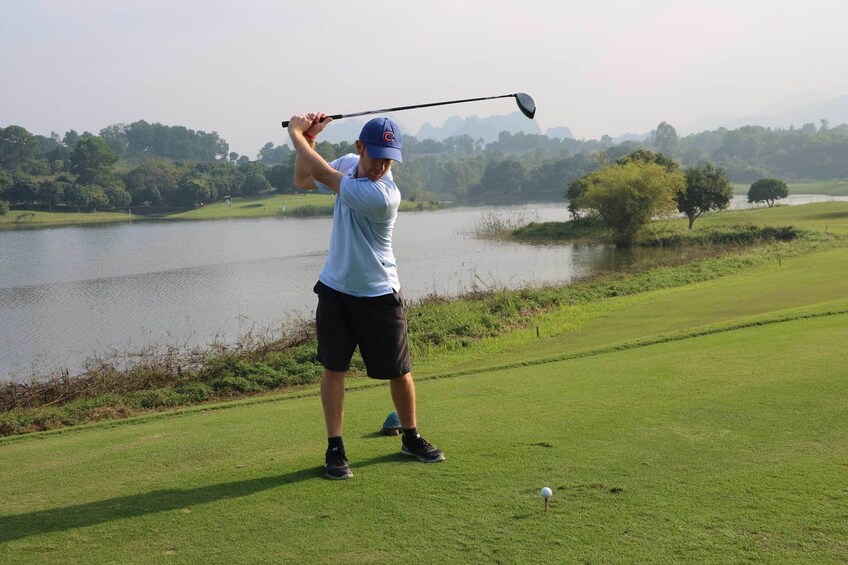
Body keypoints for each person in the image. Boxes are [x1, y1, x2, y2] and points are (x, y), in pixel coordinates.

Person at [287, 112, 445, 480]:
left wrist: (297, 133)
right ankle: (335, 448)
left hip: (378, 293)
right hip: (335, 289)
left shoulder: (383, 195)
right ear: (360, 148)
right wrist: (309, 140)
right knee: (334, 369)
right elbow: (303, 178)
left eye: (389, 159)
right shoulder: (347, 165)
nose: (382, 166)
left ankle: (411, 436)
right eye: (376, 158)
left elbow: (324, 175)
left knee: (399, 371)